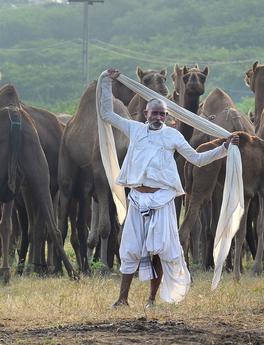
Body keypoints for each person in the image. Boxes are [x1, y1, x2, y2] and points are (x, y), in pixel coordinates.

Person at [98, 68, 239, 308]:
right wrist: (105, 81)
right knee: (130, 249)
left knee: (161, 250)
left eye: (162, 114)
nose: (158, 118)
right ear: (146, 113)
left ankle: (151, 299)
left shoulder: (173, 136)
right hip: (137, 199)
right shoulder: (135, 129)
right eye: (154, 113)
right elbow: (107, 113)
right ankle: (122, 299)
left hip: (162, 200)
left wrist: (224, 148)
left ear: (167, 116)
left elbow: (197, 159)